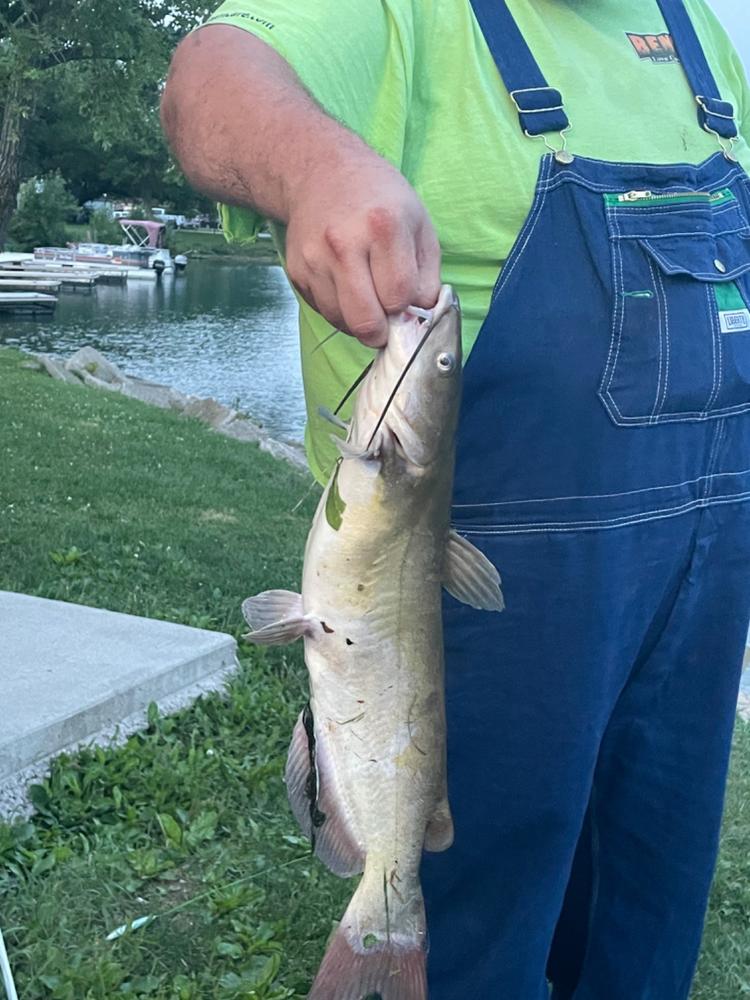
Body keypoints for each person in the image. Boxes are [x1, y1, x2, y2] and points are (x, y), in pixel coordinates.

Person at [162, 2, 750, 997]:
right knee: (478, 945)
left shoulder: (695, 31)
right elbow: (209, 82)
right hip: (478, 612)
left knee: (644, 927)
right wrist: (321, 168)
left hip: (698, 601)